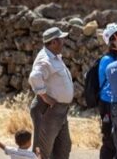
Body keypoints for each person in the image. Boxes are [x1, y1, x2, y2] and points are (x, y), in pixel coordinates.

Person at [29, 27, 73, 159]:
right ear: (53, 42)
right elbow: (34, 76)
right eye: (61, 40)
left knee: (63, 147)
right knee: (43, 151)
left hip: (59, 111)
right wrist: (44, 96)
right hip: (49, 110)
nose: (63, 42)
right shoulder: (45, 59)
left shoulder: (53, 56)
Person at [98, 23, 117, 159]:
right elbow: (104, 83)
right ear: (114, 38)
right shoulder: (106, 60)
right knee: (109, 140)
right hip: (108, 103)